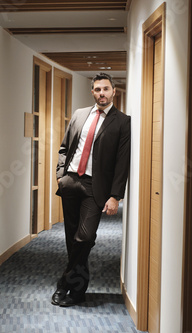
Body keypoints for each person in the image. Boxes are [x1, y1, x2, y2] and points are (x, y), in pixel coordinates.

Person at [52, 72, 131, 307]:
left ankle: (64, 283)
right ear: (93, 91)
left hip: (95, 188)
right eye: (97, 89)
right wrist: (60, 175)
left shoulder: (123, 121)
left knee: (84, 238)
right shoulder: (79, 115)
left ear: (113, 91)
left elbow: (122, 162)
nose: (102, 93)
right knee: (72, 240)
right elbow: (65, 147)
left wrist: (115, 196)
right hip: (70, 182)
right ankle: (77, 292)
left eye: (106, 89)